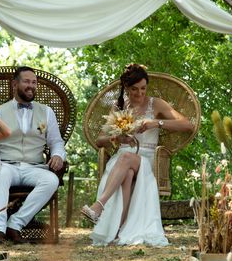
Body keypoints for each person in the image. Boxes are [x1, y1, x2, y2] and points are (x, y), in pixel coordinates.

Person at [82, 64, 194, 246]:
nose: (140, 93)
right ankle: (119, 231)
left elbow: (187, 125)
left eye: (143, 88)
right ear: (126, 88)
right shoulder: (118, 107)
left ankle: (98, 206)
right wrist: (117, 139)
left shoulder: (155, 104)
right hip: (122, 159)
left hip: (147, 160)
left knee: (125, 159)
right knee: (126, 171)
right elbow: (100, 140)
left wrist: (155, 123)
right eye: (134, 89)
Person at [0, 66, 66, 243]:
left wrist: (57, 155)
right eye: (26, 81)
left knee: (51, 180)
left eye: (34, 82)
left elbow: (56, 141)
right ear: (14, 84)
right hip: (6, 164)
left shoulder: (46, 112)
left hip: (34, 166)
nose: (31, 86)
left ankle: (15, 224)